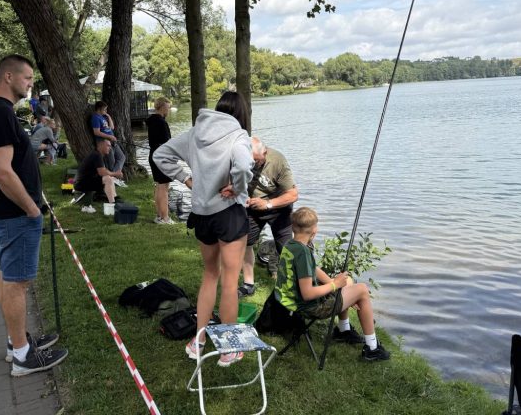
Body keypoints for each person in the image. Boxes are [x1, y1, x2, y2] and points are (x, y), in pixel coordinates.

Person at [0, 54, 67, 376]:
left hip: (8, 214)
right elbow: (2, 171)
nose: (31, 83)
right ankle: (23, 358)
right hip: (16, 214)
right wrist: (31, 208)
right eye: (27, 78)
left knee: (8, 277)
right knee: (18, 283)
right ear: (8, 77)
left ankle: (17, 343)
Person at [153, 91, 254, 366]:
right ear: (242, 113)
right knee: (231, 282)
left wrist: (188, 180)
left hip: (203, 215)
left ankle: (198, 342)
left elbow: (160, 155)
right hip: (230, 213)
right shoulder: (238, 135)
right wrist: (239, 186)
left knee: (210, 275)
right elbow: (245, 165)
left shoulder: (195, 132)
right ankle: (228, 349)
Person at [275, 206, 391, 362]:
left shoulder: (291, 245)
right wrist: (335, 285)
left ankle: (344, 330)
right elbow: (307, 293)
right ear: (314, 230)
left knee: (348, 281)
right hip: (309, 307)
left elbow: (313, 269)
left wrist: (333, 282)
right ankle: (372, 349)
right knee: (362, 290)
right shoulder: (303, 253)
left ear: (293, 227)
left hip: (290, 300)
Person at [239, 136, 299, 297]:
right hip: (252, 208)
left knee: (286, 249)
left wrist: (268, 204)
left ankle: (293, 287)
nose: (253, 165)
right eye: (250, 161)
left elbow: (293, 194)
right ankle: (248, 284)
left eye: (257, 162)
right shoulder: (241, 157)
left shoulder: (278, 161)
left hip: (278, 209)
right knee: (246, 243)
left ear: (265, 152)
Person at [73, 138, 120, 213]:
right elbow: (102, 172)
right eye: (108, 146)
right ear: (100, 145)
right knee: (108, 179)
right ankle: (112, 205)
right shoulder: (97, 155)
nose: (110, 148)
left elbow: (102, 171)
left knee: (109, 178)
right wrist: (115, 174)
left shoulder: (97, 154)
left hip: (85, 181)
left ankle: (115, 199)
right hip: (81, 184)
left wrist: (112, 175)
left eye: (110, 146)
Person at [147, 96, 173, 224]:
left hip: (153, 155)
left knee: (159, 185)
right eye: (168, 107)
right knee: (164, 187)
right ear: (162, 107)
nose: (169, 110)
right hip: (162, 157)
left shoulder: (152, 120)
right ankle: (165, 218)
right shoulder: (161, 122)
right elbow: (167, 142)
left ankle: (159, 216)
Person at [90, 101, 127, 187]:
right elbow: (96, 132)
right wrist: (109, 137)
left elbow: (112, 127)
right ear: (99, 109)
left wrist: (108, 116)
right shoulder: (95, 118)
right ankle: (113, 181)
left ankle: (114, 178)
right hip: (105, 143)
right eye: (104, 110)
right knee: (111, 163)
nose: (106, 111)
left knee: (121, 157)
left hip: (112, 142)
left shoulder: (103, 117)